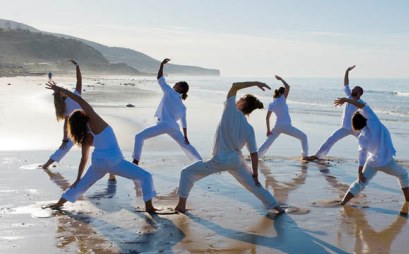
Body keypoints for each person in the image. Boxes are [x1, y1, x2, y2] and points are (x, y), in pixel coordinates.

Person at [44, 81, 158, 213]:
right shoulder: (95, 121)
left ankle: (58, 205)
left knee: (80, 186)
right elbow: (79, 100)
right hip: (115, 161)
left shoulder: (84, 135)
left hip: (98, 163)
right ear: (83, 115)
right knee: (146, 177)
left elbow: (84, 159)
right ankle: (149, 207)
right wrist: (59, 88)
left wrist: (78, 178)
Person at [174, 81, 284, 214]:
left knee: (187, 173)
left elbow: (234, 85)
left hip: (221, 160)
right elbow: (254, 153)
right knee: (254, 185)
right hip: (236, 161)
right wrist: (255, 174)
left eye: (240, 99)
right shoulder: (249, 128)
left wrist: (255, 83)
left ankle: (181, 205)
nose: (237, 100)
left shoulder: (230, 111)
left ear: (242, 102)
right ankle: (277, 207)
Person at [336, 98, 409, 205]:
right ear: (365, 117)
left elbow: (362, 154)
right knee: (403, 176)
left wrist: (359, 172)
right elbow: (363, 106)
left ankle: (343, 203)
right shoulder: (374, 122)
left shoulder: (361, 136)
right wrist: (346, 100)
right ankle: (408, 200)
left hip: (372, 162)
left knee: (360, 183)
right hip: (387, 161)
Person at [132, 58, 202, 165]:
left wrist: (162, 65)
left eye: (177, 83)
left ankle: (135, 162)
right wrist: (186, 137)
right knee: (186, 145)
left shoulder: (169, 92)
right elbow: (184, 122)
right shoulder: (183, 106)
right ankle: (200, 162)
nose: (175, 83)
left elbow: (160, 78)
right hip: (174, 127)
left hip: (163, 124)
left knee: (139, 137)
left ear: (180, 88)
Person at [312, 65, 363, 159]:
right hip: (344, 127)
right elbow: (346, 84)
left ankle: (377, 158)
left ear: (359, 93)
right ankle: (317, 156)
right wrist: (347, 71)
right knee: (330, 140)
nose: (352, 90)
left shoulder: (361, 103)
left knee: (366, 142)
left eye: (355, 89)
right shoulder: (350, 96)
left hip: (356, 129)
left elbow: (365, 111)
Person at [257, 75, 313, 161]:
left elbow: (267, 118)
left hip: (277, 126)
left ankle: (256, 155)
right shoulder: (282, 99)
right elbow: (288, 87)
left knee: (268, 142)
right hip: (286, 126)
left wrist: (268, 130)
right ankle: (305, 156)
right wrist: (281, 79)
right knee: (303, 137)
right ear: (282, 94)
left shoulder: (272, 104)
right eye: (285, 93)